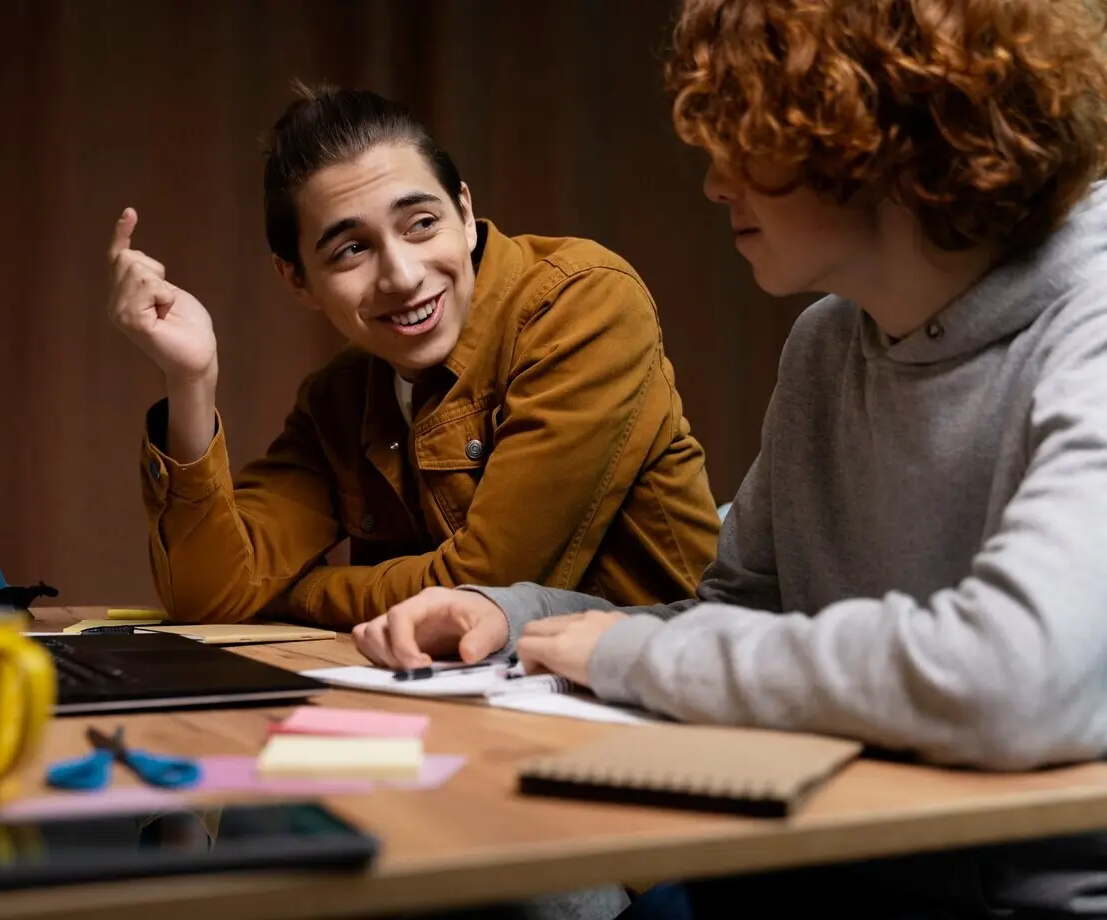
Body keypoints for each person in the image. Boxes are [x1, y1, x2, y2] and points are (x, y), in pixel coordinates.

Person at [354, 1, 1107, 916]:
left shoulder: (1092, 327)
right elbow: (735, 625)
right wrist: (513, 618)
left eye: (749, 142)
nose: (714, 183)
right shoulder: (828, 344)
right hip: (816, 861)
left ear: (880, 138)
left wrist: (632, 655)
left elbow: (1014, 680)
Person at [108, 83, 720, 629]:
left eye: (422, 223)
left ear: (465, 213)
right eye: (351, 250)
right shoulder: (341, 397)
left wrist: (298, 594)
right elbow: (211, 593)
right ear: (296, 279)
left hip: (653, 695)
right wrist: (191, 381)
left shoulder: (583, 303)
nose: (402, 276)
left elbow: (486, 587)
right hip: (468, 698)